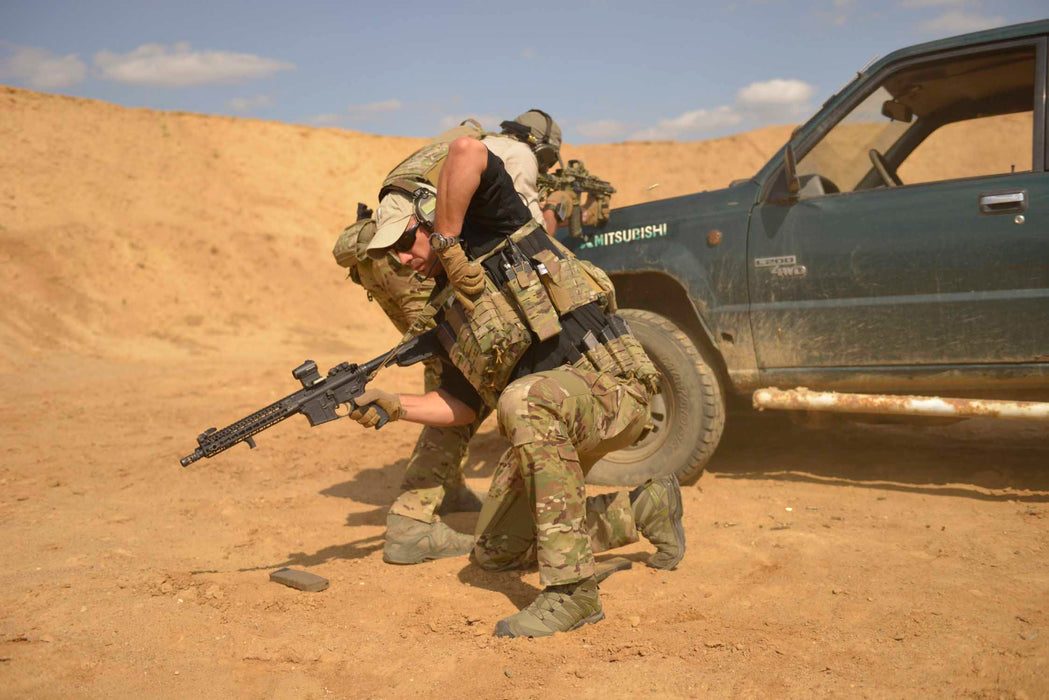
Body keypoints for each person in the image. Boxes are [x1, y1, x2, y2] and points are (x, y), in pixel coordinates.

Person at [348, 135, 686, 637]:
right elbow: (462, 405)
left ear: (428, 216)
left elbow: (467, 150)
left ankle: (573, 593)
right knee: (494, 552)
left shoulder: (494, 227)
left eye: (404, 241)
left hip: (613, 390)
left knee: (523, 400)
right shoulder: (448, 308)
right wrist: (396, 406)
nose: (401, 260)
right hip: (552, 417)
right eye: (389, 252)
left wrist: (447, 241)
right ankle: (642, 509)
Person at [334, 111, 573, 565]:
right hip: (419, 253)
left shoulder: (465, 146)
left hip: (381, 256)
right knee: (464, 376)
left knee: (443, 371)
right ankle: (413, 521)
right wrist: (553, 212)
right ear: (542, 149)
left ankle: (447, 484)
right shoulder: (516, 155)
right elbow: (525, 234)